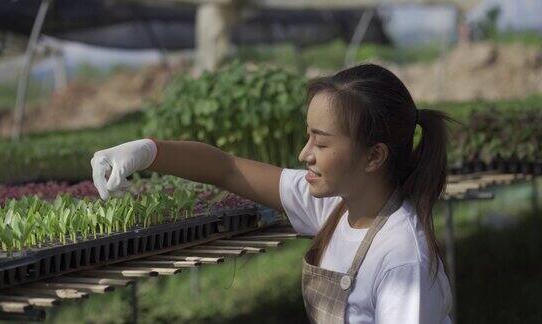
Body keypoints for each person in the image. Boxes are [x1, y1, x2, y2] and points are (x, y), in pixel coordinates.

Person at [91, 63, 454, 323]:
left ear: (374, 155)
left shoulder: (402, 258)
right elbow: (226, 168)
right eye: (308, 135)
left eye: (321, 143)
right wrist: (148, 151)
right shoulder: (336, 207)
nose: (304, 154)